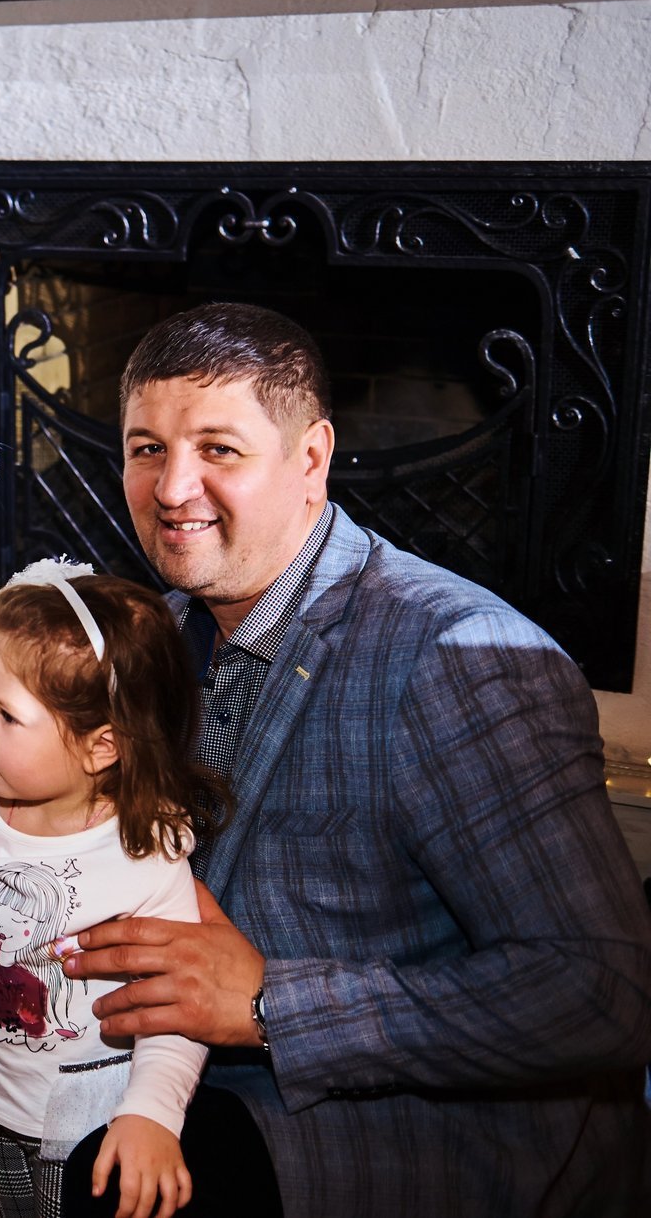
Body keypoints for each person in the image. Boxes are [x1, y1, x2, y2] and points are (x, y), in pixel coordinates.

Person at [57, 302, 651, 1216]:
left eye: (219, 449)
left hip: (415, 1119)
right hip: (183, 1061)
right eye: (147, 449)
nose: (172, 488)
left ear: (311, 458)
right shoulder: (162, 633)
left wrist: (271, 1005)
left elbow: (602, 994)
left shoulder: (461, 658)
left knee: (113, 1190)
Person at [0, 566, 217, 1218]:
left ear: (100, 747)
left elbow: (179, 1000)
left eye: (6, 715)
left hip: (88, 1114)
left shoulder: (145, 852)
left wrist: (153, 1113)